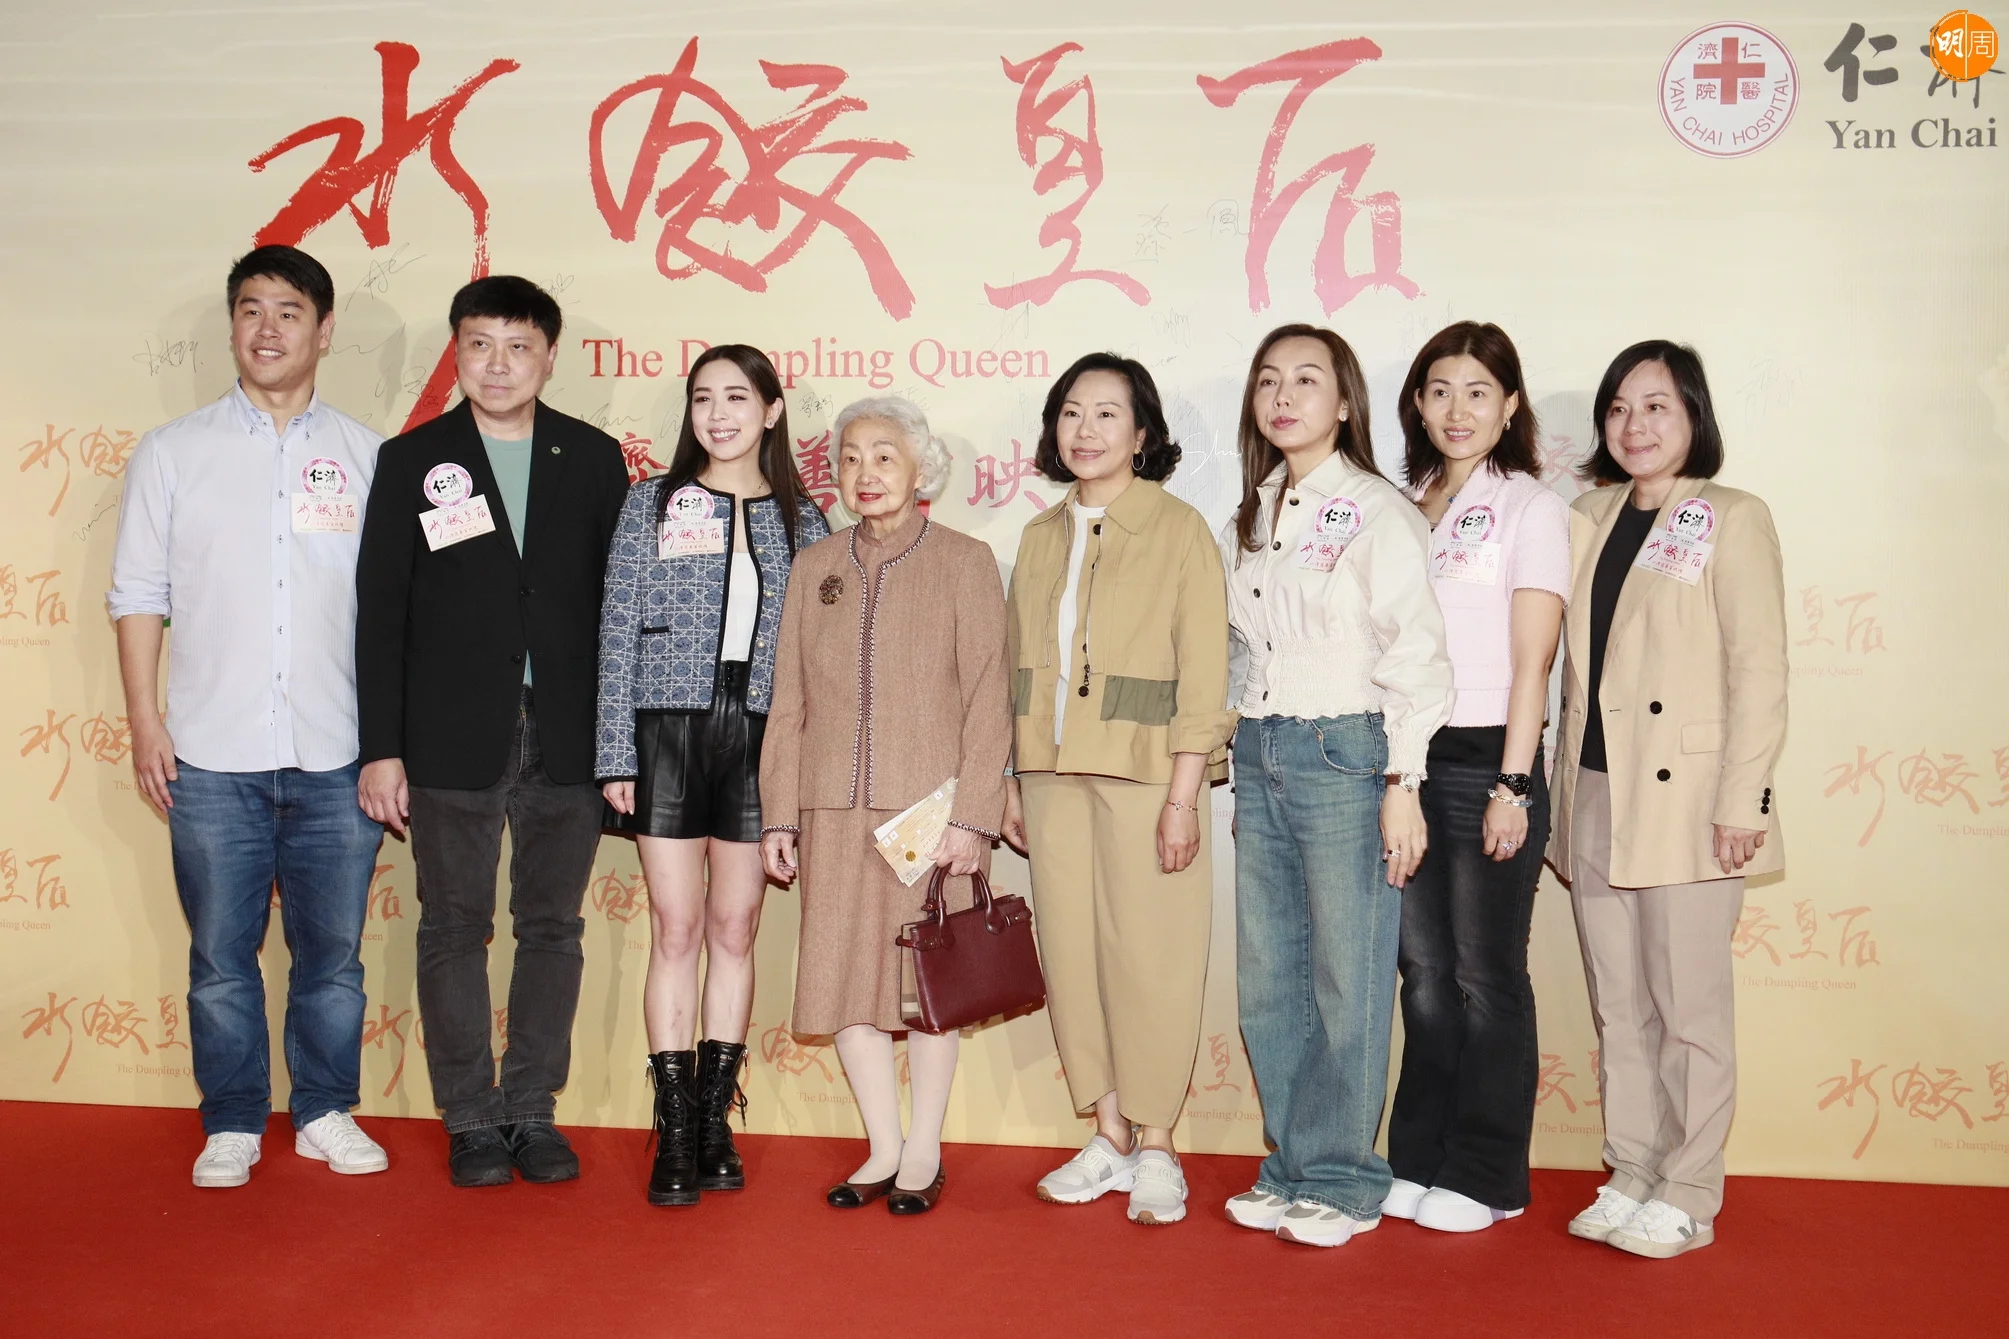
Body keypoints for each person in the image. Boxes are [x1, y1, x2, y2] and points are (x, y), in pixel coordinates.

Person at [108, 245, 388, 1187]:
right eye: (251, 309)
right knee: (222, 959)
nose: (268, 329)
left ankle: (324, 1109)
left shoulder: (369, 457)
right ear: (233, 324)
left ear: (324, 330)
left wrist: (389, 744)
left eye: (289, 312)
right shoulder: (172, 451)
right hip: (209, 752)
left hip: (337, 752)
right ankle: (231, 1119)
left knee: (333, 958)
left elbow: (394, 613)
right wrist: (145, 720)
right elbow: (137, 595)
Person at [354, 276, 628, 1188]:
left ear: (548, 356)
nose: (498, 364)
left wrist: (619, 742)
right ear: (457, 353)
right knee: (451, 926)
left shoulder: (592, 458)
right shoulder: (413, 459)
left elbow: (619, 606)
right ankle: (470, 1116)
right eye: (479, 344)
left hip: (568, 735)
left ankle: (531, 1108)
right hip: (448, 734)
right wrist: (382, 746)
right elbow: (380, 614)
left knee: (552, 927)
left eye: (518, 346)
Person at [1548, 340, 1787, 1259]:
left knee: (1688, 1007)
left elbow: (1758, 670)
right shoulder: (1586, 515)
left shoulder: (1731, 515)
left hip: (1689, 797)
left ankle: (1689, 1189)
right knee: (1619, 1001)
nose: (1634, 424)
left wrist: (1742, 802)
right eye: (1618, 408)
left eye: (1656, 405)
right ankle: (1633, 1167)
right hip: (1593, 787)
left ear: (1693, 415)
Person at [1219, 324, 1455, 1248]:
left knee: (1346, 974)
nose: (1283, 396)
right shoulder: (1250, 515)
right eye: (1268, 381)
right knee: (1269, 976)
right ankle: (1291, 1164)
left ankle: (1346, 1178)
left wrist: (1404, 777)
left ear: (1345, 401)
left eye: (1306, 380)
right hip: (1262, 746)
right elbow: (1242, 648)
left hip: (1349, 750)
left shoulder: (1375, 509)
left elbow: (1417, 653)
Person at [998, 354, 1234, 1226]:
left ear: (1141, 433)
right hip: (1049, 774)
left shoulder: (1178, 529)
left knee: (1151, 958)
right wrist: (1009, 775)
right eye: (1071, 411)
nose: (1085, 429)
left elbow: (1203, 674)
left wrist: (1182, 795)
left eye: (1106, 413)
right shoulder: (1039, 535)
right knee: (1071, 954)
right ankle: (1107, 1132)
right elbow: (1015, 668)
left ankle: (1158, 1142)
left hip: (1148, 777)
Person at [760, 396, 1010, 1215]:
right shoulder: (814, 566)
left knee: (925, 982)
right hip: (830, 810)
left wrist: (972, 817)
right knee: (839, 979)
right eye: (850, 458)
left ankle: (924, 1149)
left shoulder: (965, 560)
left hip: (929, 817)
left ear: (919, 467)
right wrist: (779, 813)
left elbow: (989, 699)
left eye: (884, 456)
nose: (864, 474)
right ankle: (881, 1146)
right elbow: (788, 701)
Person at [596, 345, 829, 1206]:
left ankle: (713, 1120)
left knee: (735, 928)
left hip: (763, 739)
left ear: (772, 410)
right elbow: (615, 624)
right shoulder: (651, 501)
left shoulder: (806, 518)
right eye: (703, 398)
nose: (718, 414)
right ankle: (673, 1130)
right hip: (665, 730)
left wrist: (803, 771)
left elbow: (820, 658)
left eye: (737, 397)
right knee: (677, 928)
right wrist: (614, 752)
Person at [1384, 322, 1569, 1233]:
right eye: (1438, 390)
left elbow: (1534, 661)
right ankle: (1417, 1158)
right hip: (1405, 758)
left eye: (1477, 391)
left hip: (1488, 755)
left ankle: (1488, 1174)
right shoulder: (1401, 506)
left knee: (1485, 976)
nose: (1456, 410)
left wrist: (1514, 784)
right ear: (1417, 404)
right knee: (1422, 974)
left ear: (1510, 404)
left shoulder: (1530, 507)